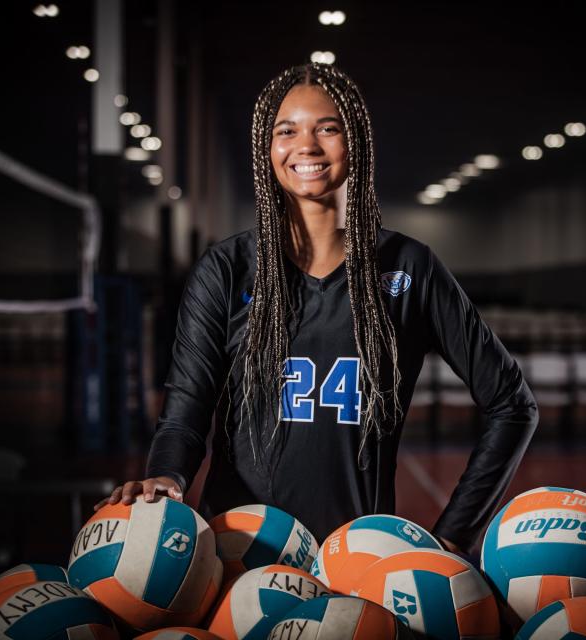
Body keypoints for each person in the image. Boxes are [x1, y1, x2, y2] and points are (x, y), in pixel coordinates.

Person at [94, 62, 539, 556]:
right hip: (234, 552)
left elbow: (512, 404)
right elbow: (184, 415)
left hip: (357, 559)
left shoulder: (410, 268)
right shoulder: (227, 269)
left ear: (358, 143)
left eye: (326, 127)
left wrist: (455, 532)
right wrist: (165, 476)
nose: (305, 145)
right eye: (286, 131)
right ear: (268, 149)